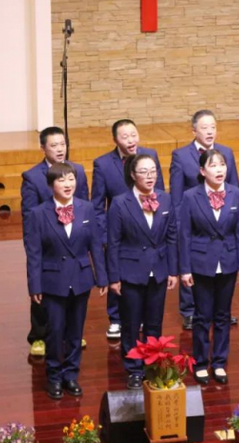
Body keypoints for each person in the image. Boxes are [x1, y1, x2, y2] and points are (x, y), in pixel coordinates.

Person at [24, 163, 109, 400]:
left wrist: (101, 276)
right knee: (55, 330)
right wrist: (35, 286)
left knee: (75, 330)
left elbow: (95, 245)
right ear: (51, 185)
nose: (68, 184)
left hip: (81, 278)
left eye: (71, 179)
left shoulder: (87, 208)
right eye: (62, 180)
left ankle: (71, 375)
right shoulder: (38, 214)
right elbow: (34, 253)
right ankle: (54, 377)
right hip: (53, 280)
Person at [106, 154, 178, 389]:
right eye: (144, 172)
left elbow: (172, 236)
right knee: (131, 323)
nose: (150, 176)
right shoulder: (120, 202)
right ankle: (134, 369)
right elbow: (113, 242)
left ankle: (152, 364)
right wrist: (114, 277)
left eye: (153, 171)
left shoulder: (165, 200)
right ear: (133, 175)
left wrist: (173, 270)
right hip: (130, 271)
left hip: (158, 270)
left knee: (154, 323)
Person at [179, 149, 239, 385]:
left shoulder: (235, 194)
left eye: (222, 165)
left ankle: (219, 362)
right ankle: (200, 362)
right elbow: (185, 234)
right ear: (202, 171)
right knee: (201, 316)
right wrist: (185, 269)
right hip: (200, 263)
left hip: (228, 263)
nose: (219, 170)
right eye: (213, 165)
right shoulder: (190, 196)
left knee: (223, 315)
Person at [92, 119, 165, 340]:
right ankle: (115, 318)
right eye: (125, 137)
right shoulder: (103, 164)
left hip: (146, 224)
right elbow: (97, 204)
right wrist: (104, 235)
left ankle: (141, 317)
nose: (131, 140)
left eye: (134, 134)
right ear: (115, 140)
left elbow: (159, 191)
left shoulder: (150, 156)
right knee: (119, 271)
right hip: (118, 227)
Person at [21, 127, 89, 357]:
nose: (60, 149)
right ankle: (39, 335)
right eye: (54, 145)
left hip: (73, 239)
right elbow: (29, 216)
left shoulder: (77, 170)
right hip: (48, 241)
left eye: (63, 144)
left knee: (73, 288)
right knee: (44, 289)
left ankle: (73, 333)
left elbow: (84, 205)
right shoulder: (32, 177)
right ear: (43, 148)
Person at [170, 110, 239, 330]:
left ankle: (221, 311)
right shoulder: (181, 156)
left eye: (213, 127)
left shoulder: (226, 153)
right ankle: (189, 311)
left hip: (221, 218)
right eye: (204, 127)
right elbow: (177, 196)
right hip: (194, 219)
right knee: (192, 264)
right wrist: (181, 226)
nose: (210, 131)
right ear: (194, 130)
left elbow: (234, 188)